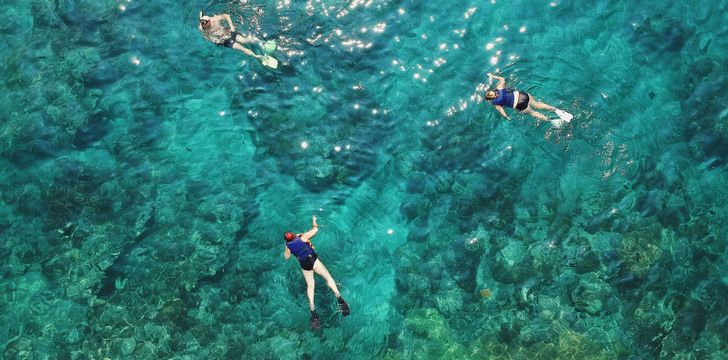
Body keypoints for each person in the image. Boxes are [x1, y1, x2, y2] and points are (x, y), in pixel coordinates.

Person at [284, 215, 350, 330]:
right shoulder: (303, 237)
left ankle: (313, 308)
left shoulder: (288, 246)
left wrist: (287, 247)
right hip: (313, 260)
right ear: (294, 235)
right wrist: (314, 221)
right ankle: (338, 296)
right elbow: (316, 229)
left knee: (310, 286)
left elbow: (286, 257)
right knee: (328, 278)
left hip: (304, 264)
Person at [484, 73, 561, 122]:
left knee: (533, 113)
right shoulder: (499, 88)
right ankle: (553, 108)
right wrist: (492, 76)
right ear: (493, 91)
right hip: (523, 95)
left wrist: (507, 117)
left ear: (491, 99)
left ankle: (549, 120)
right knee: (537, 104)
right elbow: (502, 79)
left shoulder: (495, 104)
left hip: (520, 104)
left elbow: (502, 111)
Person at [198, 10, 264, 62]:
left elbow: (226, 16)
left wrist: (231, 26)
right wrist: (215, 40)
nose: (204, 26)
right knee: (242, 48)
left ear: (209, 21)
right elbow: (206, 37)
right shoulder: (202, 28)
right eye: (203, 24)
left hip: (228, 32)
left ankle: (262, 42)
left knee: (245, 40)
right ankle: (256, 56)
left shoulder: (215, 19)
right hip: (224, 41)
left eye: (205, 24)